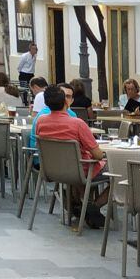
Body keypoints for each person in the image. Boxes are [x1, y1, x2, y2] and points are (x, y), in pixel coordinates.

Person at [34, 85, 107, 229]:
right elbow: (97, 155)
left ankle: (83, 206)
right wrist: (104, 154)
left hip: (53, 170)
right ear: (66, 101)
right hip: (80, 170)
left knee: (81, 169)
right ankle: (92, 207)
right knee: (118, 173)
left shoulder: (41, 121)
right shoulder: (77, 123)